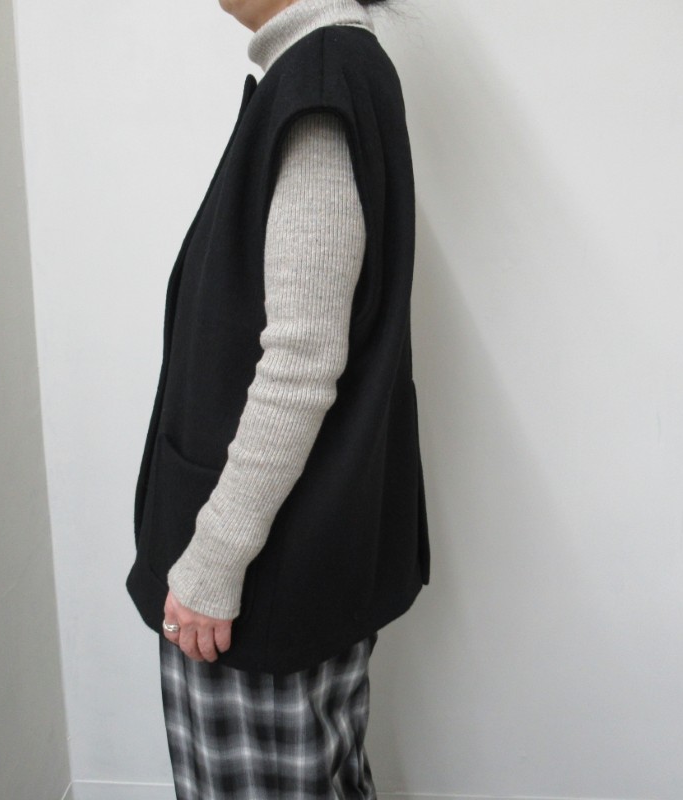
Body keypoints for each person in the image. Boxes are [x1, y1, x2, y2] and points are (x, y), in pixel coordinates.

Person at [125, 0, 430, 796]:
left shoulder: (320, 81)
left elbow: (301, 361)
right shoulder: (321, 72)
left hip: (260, 579)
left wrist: (213, 561)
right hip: (287, 560)